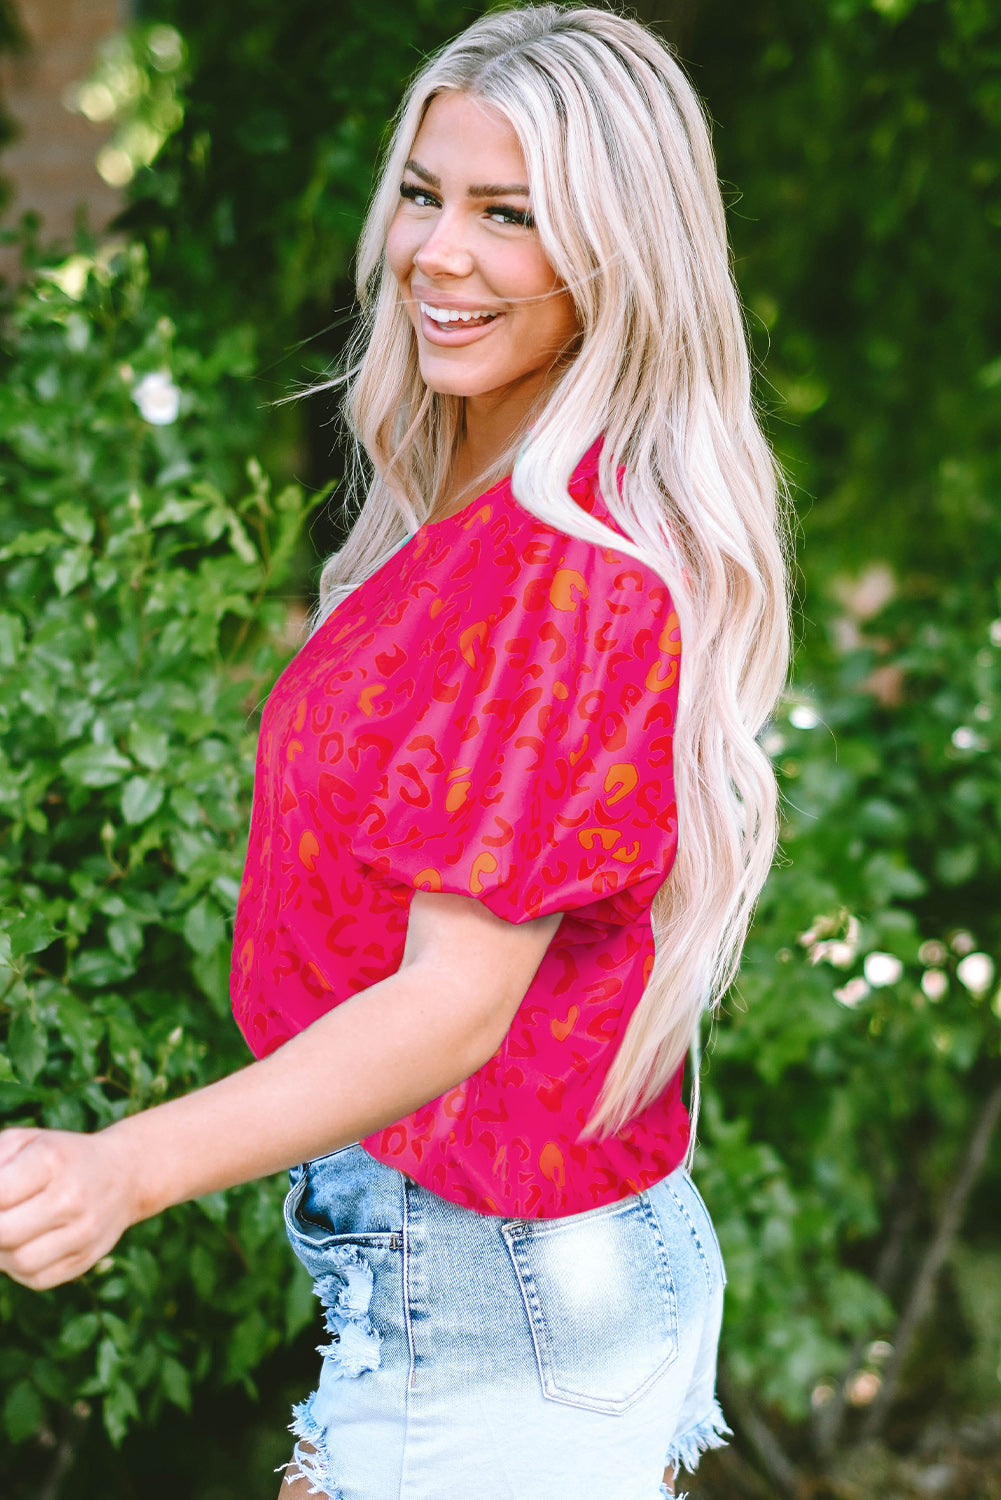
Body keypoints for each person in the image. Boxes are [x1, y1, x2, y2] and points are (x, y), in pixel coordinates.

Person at [0, 5, 790, 1497]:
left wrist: (121, 1168)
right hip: (472, 1274)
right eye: (426, 194)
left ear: (619, 255)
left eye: (509, 215)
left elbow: (450, 1007)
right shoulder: (481, 515)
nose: (437, 253)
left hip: (500, 1307)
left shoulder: (568, 573)